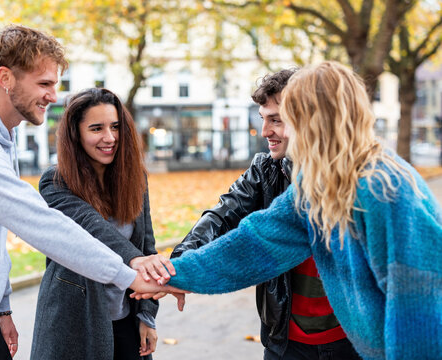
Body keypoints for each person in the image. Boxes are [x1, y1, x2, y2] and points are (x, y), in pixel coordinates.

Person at [0, 25, 175, 360]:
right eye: (44, 84)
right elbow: (40, 224)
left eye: (54, 85)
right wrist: (130, 276)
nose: (53, 95)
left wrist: (0, 307)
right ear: (6, 78)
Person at [136, 61, 442, 359]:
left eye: (286, 118)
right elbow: (256, 245)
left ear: (316, 120)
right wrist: (174, 273)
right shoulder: (319, 185)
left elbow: (418, 304)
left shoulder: (385, 187)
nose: (272, 130)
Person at [171, 69, 360, 359]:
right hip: (285, 342)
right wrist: (178, 264)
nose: (265, 132)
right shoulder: (266, 169)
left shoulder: (359, 177)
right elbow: (221, 217)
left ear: (307, 118)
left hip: (351, 340)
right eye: (263, 119)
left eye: (276, 119)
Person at [31, 88, 162, 360]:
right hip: (73, 324)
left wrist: (147, 316)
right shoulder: (55, 182)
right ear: (76, 134)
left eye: (115, 127)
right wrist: (134, 260)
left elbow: (147, 246)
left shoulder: (135, 179)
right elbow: (92, 230)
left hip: (127, 318)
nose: (109, 137)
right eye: (96, 128)